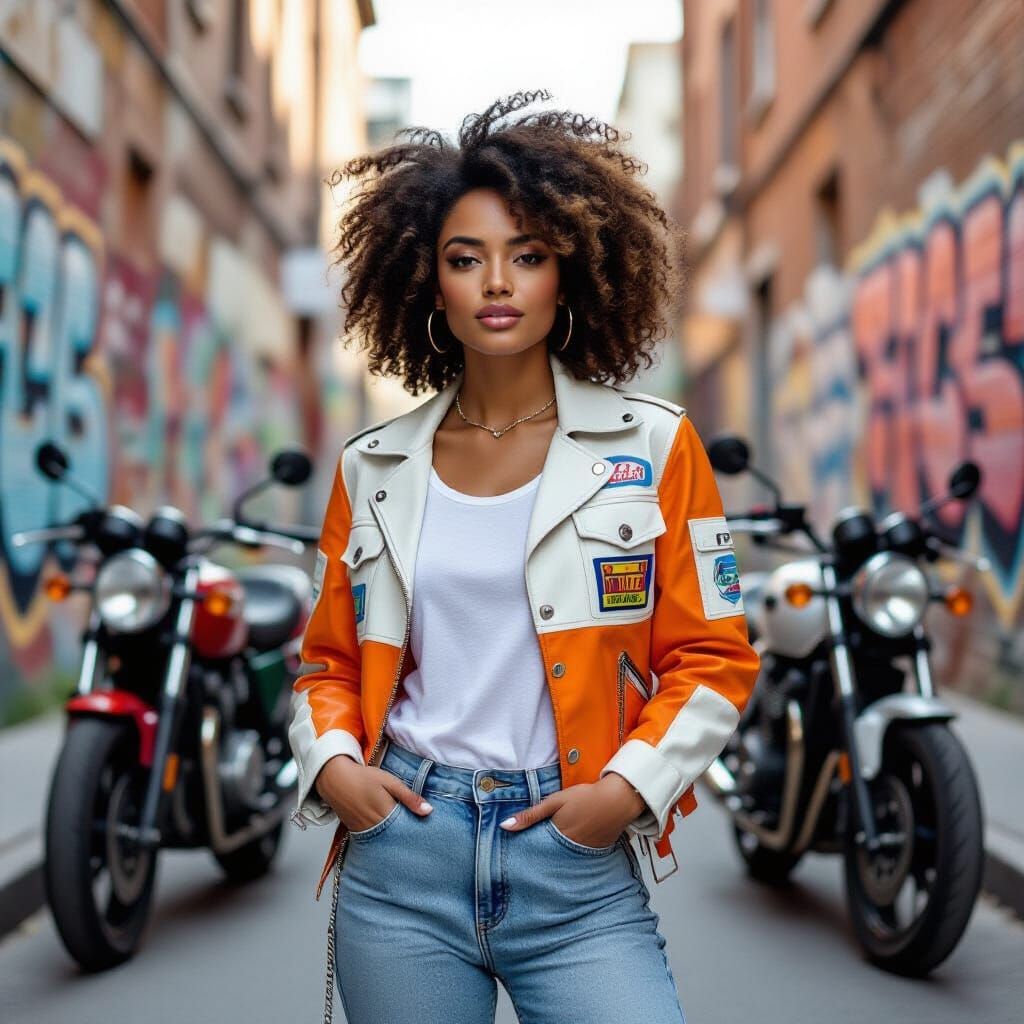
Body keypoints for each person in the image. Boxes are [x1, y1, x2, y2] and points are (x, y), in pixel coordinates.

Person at [288, 89, 760, 1024]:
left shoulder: (660, 446)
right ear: (432, 282)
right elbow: (327, 664)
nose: (497, 283)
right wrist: (337, 771)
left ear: (569, 273)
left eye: (527, 256)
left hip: (573, 862)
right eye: (467, 260)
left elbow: (715, 658)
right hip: (403, 856)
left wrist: (625, 791)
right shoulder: (372, 466)